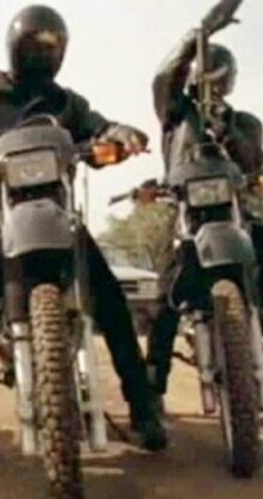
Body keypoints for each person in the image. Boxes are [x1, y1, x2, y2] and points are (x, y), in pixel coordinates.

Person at [0, 4, 167, 466]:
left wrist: (119, 135)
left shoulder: (67, 103)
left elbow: (98, 128)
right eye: (37, 47)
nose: (43, 56)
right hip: (0, 213)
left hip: (59, 213)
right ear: (17, 49)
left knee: (112, 304)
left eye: (51, 49)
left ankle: (144, 411)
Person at [147, 0, 263, 410]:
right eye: (204, 75)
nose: (210, 84)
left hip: (236, 218)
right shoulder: (175, 115)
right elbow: (163, 76)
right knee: (165, 300)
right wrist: (201, 32)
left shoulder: (245, 123)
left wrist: (226, 130)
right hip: (188, 218)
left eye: (218, 77)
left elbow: (254, 162)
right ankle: (152, 394)